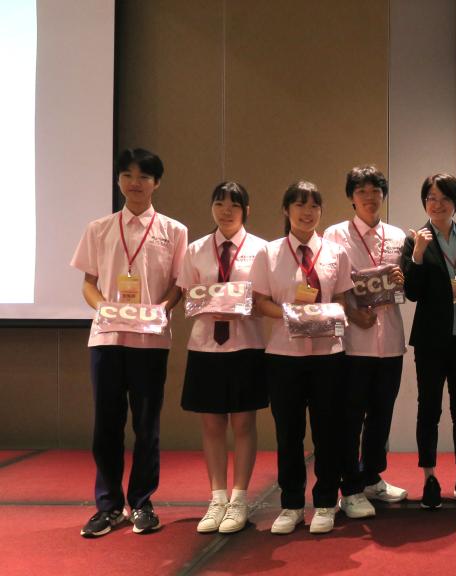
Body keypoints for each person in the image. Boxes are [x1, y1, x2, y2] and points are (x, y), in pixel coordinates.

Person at [72, 148, 187, 537]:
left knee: (146, 425)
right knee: (106, 424)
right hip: (106, 338)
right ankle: (108, 506)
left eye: (143, 177)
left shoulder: (174, 231)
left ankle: (141, 503)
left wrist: (162, 309)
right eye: (127, 175)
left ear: (157, 182)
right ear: (119, 180)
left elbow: (178, 285)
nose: (134, 183)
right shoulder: (99, 228)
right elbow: (88, 284)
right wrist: (104, 308)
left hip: (150, 341)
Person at [250, 180, 354, 535]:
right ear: (286, 210)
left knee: (328, 432)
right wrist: (291, 314)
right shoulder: (269, 252)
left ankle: (325, 502)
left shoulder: (336, 252)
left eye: (314, 206)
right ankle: (292, 504)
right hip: (284, 355)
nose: (307, 213)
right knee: (288, 434)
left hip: (329, 355)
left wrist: (327, 313)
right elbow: (259, 302)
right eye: (300, 205)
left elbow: (343, 299)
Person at [178, 182, 268, 534]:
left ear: (246, 210)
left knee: (244, 424)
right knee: (212, 425)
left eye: (234, 205)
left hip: (246, 345)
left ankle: (239, 498)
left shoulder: (261, 250)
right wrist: (209, 303)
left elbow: (266, 299)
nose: (226, 211)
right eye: (219, 204)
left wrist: (243, 305)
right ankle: (217, 498)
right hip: (206, 347)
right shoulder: (196, 249)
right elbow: (188, 298)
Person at [324, 166, 408, 518]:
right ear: (351, 197)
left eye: (375, 191)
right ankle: (351, 487)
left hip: (390, 340)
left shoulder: (398, 236)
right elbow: (329, 284)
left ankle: (372, 476)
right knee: (351, 416)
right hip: (353, 341)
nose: (369, 197)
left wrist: (402, 280)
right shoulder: (334, 234)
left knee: (381, 413)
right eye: (361, 191)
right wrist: (351, 313)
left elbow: (403, 287)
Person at [401, 173, 456, 509]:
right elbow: (412, 292)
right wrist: (418, 256)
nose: (437, 204)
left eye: (445, 198)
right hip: (430, 341)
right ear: (425, 202)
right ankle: (429, 478)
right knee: (429, 409)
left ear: (455, 203)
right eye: (431, 198)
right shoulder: (415, 241)